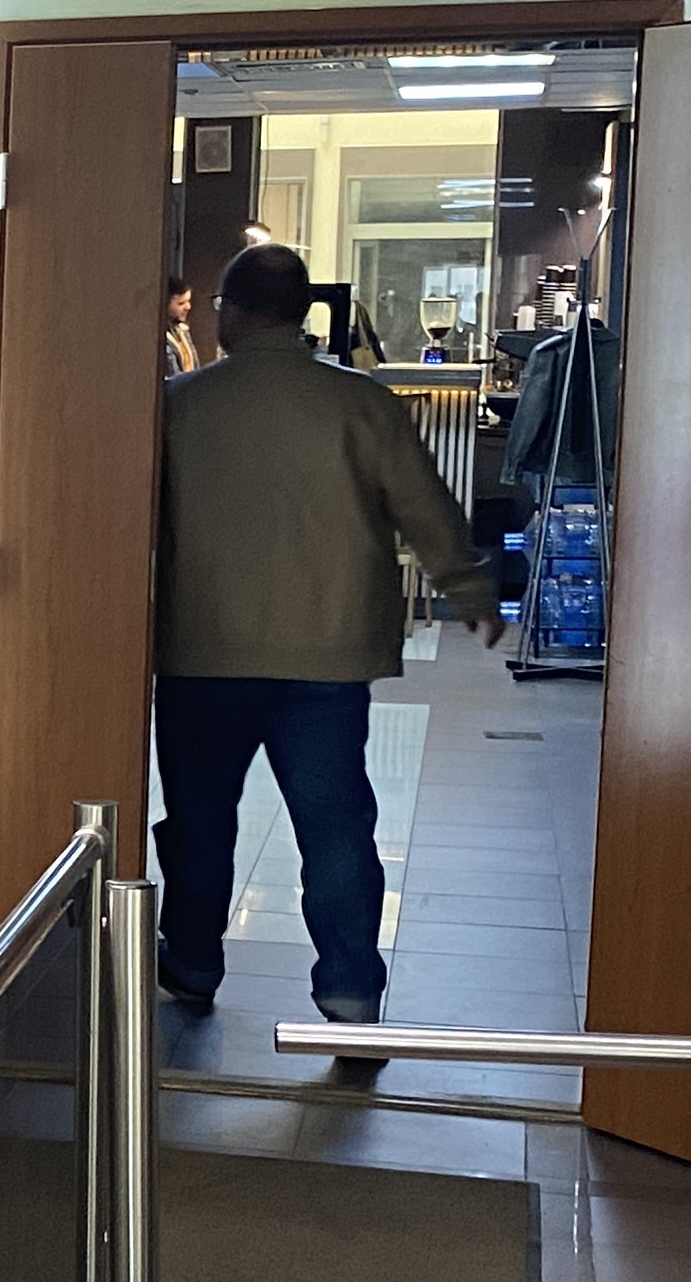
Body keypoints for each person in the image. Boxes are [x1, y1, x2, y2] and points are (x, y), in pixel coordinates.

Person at [154, 243, 500, 1031]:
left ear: (232, 313)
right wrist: (471, 590)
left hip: (203, 652)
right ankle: (349, 987)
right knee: (336, 826)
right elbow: (425, 507)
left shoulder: (178, 405)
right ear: (301, 313)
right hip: (328, 657)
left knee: (200, 823)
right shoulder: (361, 402)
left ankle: (194, 961)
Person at [160, 277, 198, 378]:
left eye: (188, 301)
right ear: (165, 304)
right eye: (181, 303)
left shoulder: (182, 330)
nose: (188, 307)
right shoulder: (159, 337)